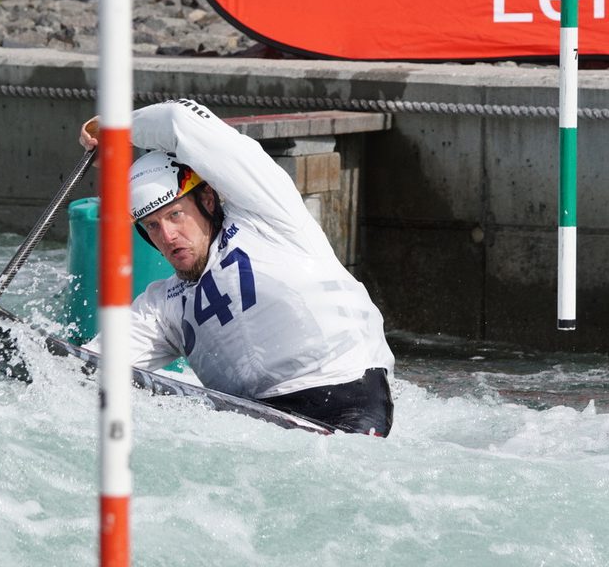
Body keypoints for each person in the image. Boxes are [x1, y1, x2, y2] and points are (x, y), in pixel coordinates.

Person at [79, 98, 395, 436]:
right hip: (260, 421)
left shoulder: (268, 214)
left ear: (208, 200)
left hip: (347, 393)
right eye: (153, 226)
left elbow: (181, 119)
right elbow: (89, 368)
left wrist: (118, 128)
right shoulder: (165, 304)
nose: (168, 236)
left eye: (175, 215)